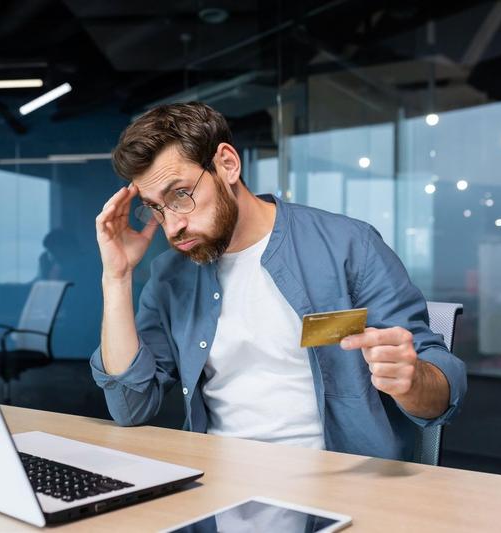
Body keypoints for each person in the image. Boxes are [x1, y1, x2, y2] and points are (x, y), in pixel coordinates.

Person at [91, 102, 466, 460]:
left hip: (338, 484)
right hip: (217, 484)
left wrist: (412, 379)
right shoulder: (171, 276)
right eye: (156, 207)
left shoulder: (348, 246)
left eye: (181, 195)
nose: (172, 226)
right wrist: (117, 276)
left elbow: (439, 394)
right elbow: (130, 405)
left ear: (227, 163)